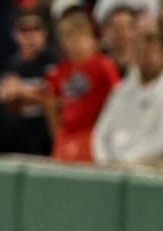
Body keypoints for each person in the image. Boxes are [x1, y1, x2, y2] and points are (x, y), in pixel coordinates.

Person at [43, 11, 121, 162]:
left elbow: (118, 97)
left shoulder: (103, 65)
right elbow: (50, 100)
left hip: (94, 134)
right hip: (66, 136)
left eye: (81, 37)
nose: (76, 44)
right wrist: (58, 133)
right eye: (70, 38)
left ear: (92, 40)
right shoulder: (59, 70)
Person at [92, 31, 163, 168]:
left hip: (153, 163)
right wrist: (103, 159)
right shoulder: (122, 90)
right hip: (114, 162)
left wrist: (127, 159)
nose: (148, 57)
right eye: (142, 52)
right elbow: (101, 131)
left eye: (153, 53)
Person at [0, 7, 59, 156]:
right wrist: (36, 95)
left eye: (35, 29)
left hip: (49, 139)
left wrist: (22, 92)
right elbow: (7, 98)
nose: (30, 35)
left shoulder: (55, 61)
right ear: (15, 35)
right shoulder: (12, 64)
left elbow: (56, 98)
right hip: (21, 139)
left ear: (44, 32)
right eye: (24, 30)